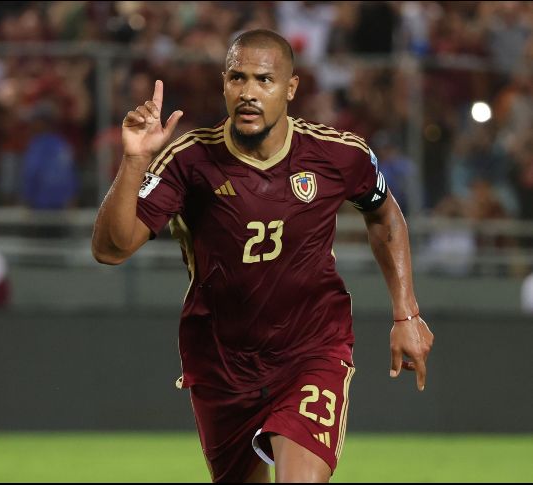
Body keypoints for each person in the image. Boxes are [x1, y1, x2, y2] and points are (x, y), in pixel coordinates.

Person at [92, 30, 434, 483]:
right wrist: (134, 161)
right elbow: (110, 249)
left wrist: (406, 313)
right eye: (237, 78)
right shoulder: (188, 160)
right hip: (221, 362)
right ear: (224, 84)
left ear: (290, 89)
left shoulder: (338, 154)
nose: (248, 92)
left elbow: (385, 217)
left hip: (310, 352)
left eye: (264, 80)